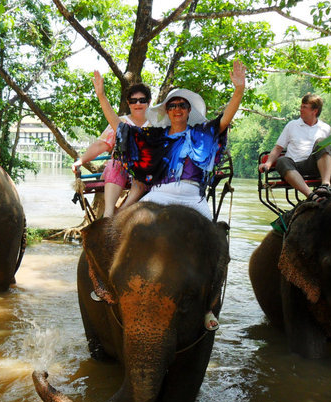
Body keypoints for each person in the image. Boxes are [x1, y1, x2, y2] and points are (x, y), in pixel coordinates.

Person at [92, 60, 246, 330]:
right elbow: (120, 127)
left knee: (218, 241)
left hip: (193, 198)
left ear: (188, 111)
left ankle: (209, 305)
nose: (176, 109)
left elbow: (225, 119)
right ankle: (109, 287)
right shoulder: (155, 137)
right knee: (118, 227)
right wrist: (102, 97)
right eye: (172, 106)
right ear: (166, 111)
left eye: (181, 106)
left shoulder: (202, 134)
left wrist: (239, 90)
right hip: (159, 195)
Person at [72, 83, 152, 217]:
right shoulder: (120, 122)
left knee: (143, 168)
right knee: (116, 164)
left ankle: (120, 211)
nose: (138, 104)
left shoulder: (155, 124)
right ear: (128, 103)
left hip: (144, 171)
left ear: (149, 102)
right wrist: (81, 161)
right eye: (133, 101)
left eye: (142, 100)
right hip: (120, 168)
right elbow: (102, 145)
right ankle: (108, 213)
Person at [258, 94, 331, 201]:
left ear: (314, 111)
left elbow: (327, 152)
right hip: (294, 167)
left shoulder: (325, 128)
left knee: (322, 142)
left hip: (315, 164)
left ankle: (326, 185)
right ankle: (311, 196)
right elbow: (278, 148)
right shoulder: (292, 125)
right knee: (282, 160)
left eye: (304, 107)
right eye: (301, 106)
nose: (300, 109)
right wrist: (268, 164)